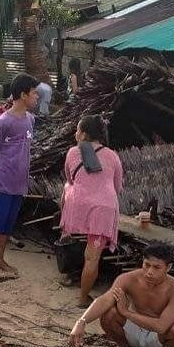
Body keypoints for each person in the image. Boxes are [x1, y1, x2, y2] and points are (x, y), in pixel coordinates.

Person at [67, 242, 174, 347]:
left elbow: (161, 326)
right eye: (147, 265)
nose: (149, 272)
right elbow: (105, 299)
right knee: (109, 313)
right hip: (132, 329)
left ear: (168, 267)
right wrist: (81, 321)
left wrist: (126, 312)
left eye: (157, 267)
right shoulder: (129, 278)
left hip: (157, 336)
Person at [60, 115, 123, 306]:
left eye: (78, 130)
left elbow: (70, 178)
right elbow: (118, 187)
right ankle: (82, 298)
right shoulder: (112, 155)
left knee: (66, 188)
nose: (75, 133)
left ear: (85, 134)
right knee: (92, 258)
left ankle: (65, 232)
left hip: (78, 207)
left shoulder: (73, 152)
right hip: (103, 210)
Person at [0, 74, 40, 274]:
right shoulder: (3, 122)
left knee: (7, 224)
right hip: (4, 181)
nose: (37, 97)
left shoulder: (30, 120)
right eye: (34, 93)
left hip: (19, 182)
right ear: (23, 95)